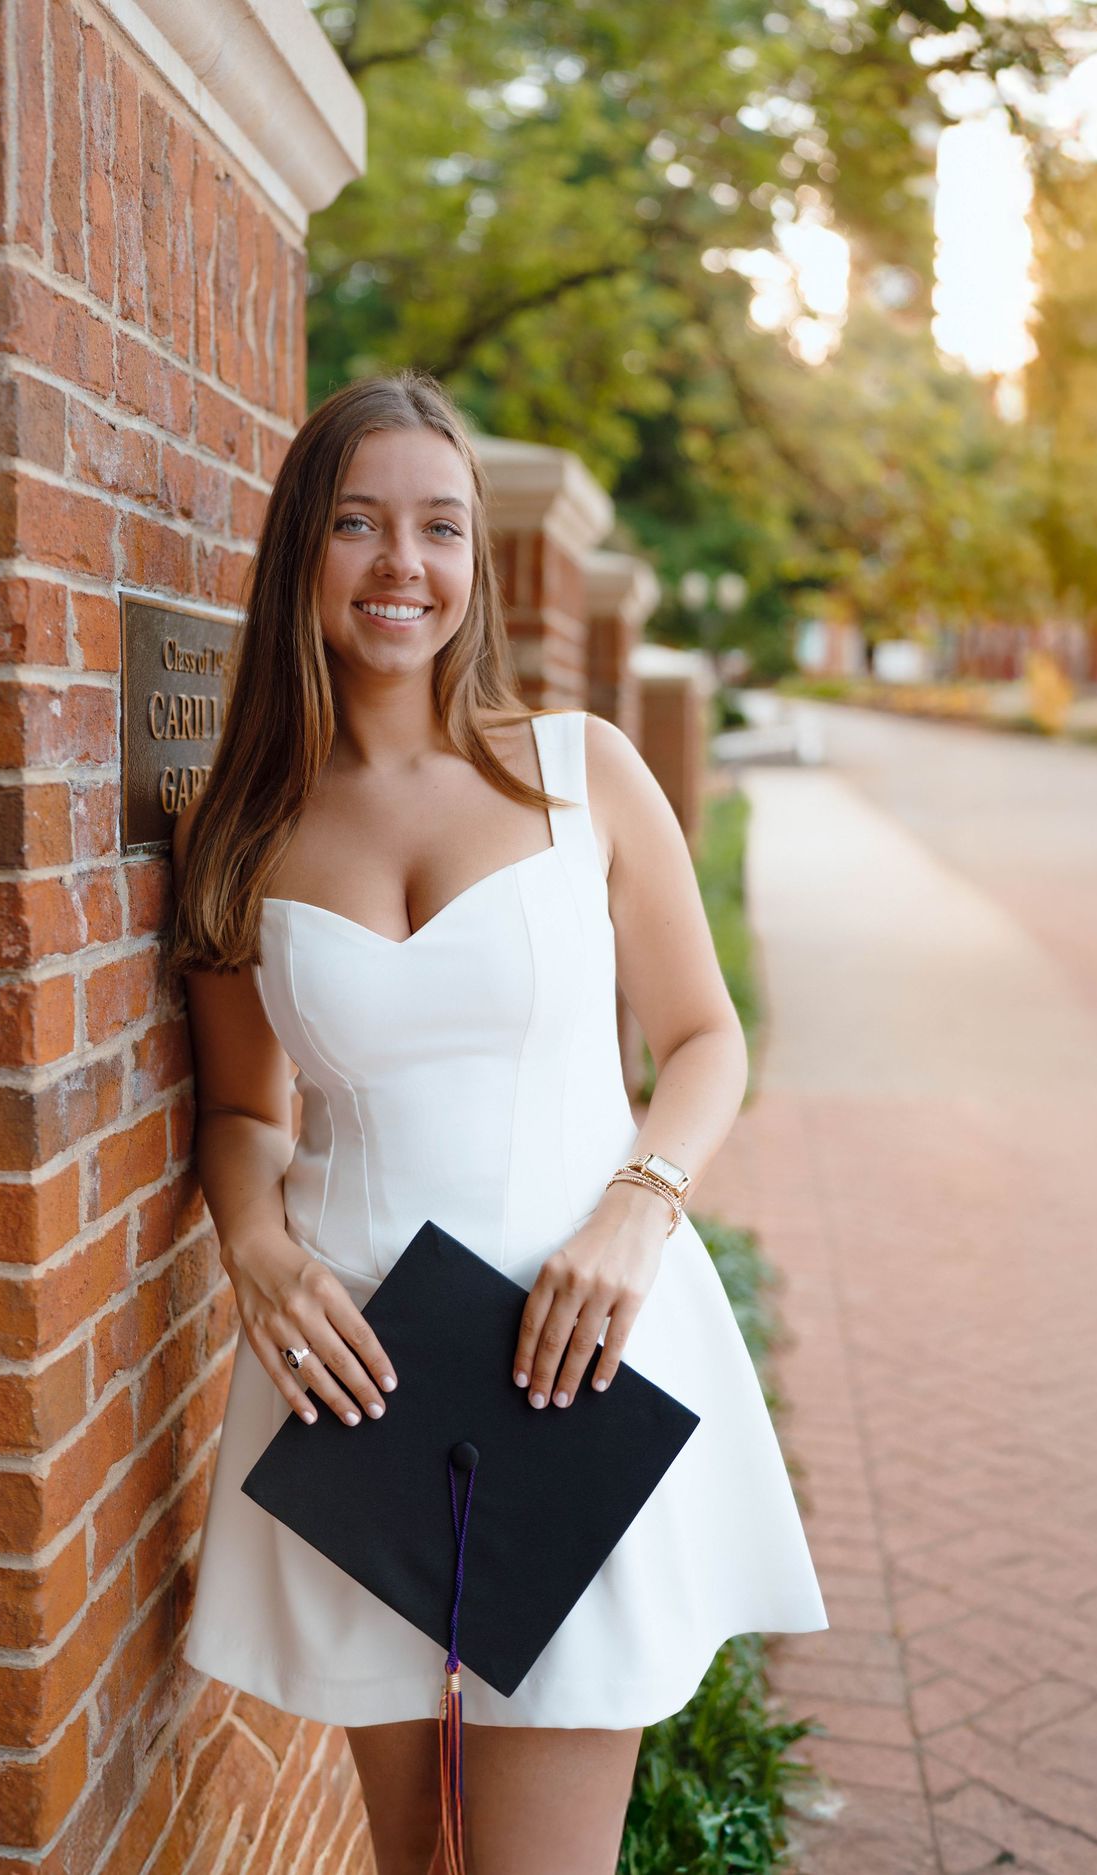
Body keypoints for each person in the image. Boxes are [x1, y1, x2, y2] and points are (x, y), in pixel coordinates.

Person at [166, 370, 826, 1875]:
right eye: (358, 524)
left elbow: (707, 1039)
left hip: (574, 1358)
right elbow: (241, 1108)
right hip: (357, 1384)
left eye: (440, 528)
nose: (404, 564)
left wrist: (640, 1205)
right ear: (303, 556)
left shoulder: (582, 773)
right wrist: (255, 1246)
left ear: (475, 563)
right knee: (420, 1855)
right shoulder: (240, 824)